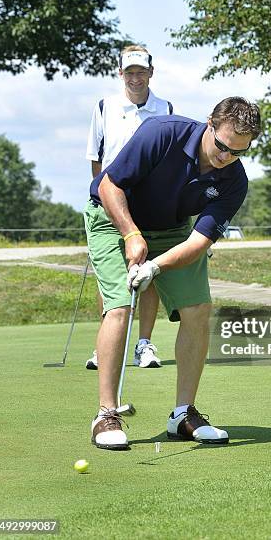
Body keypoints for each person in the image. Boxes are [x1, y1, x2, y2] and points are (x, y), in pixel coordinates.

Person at [84, 97, 261, 449]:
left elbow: (198, 241)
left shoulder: (234, 181)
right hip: (113, 218)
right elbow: (108, 186)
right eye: (222, 146)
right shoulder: (161, 133)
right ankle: (105, 415)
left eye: (237, 152)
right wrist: (131, 235)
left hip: (172, 231)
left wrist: (155, 265)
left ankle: (183, 414)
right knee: (119, 306)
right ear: (209, 123)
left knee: (198, 308)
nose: (225, 157)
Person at [85, 44, 173, 371]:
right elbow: (96, 159)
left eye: (141, 71)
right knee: (110, 278)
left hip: (148, 202)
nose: (136, 78)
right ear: (120, 73)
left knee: (146, 272)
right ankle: (105, 345)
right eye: (130, 72)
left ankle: (143, 344)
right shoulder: (104, 106)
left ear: (151, 72)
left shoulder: (165, 108)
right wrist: (106, 197)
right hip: (111, 201)